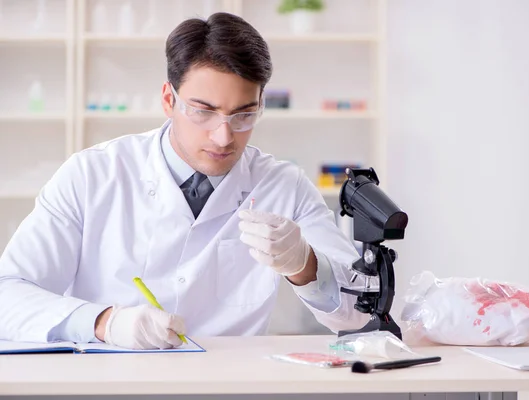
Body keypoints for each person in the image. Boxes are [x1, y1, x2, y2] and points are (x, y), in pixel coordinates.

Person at [0, 12, 368, 350]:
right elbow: (8, 296)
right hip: (108, 381)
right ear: (167, 99)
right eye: (203, 112)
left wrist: (305, 265)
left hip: (228, 389)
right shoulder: (91, 175)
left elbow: (361, 316)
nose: (224, 137)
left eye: (244, 115)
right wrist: (104, 323)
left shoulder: (285, 185)